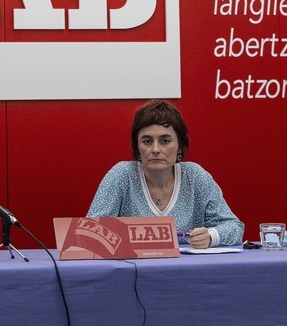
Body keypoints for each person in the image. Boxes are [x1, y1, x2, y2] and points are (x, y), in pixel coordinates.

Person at [87, 99, 244, 248]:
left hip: (184, 266)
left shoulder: (195, 176)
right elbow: (89, 232)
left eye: (165, 141)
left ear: (180, 146)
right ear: (137, 147)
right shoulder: (121, 175)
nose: (155, 149)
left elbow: (234, 227)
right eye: (147, 141)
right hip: (133, 266)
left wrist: (211, 236)